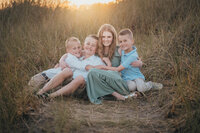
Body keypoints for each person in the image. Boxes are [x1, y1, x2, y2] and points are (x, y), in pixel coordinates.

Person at [86, 28, 163, 104]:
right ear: (100, 38)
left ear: (113, 38)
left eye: (109, 37)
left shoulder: (119, 49)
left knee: (93, 72)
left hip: (117, 78)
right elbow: (84, 51)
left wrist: (140, 63)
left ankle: (126, 92)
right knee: (131, 86)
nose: (106, 39)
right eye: (103, 37)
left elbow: (131, 54)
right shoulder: (96, 50)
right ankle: (126, 94)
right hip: (115, 78)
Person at [36, 34, 105, 98]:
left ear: (97, 49)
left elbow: (103, 73)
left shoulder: (98, 60)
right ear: (83, 45)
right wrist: (62, 60)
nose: (89, 46)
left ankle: (50, 96)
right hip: (69, 80)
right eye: (88, 43)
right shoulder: (78, 55)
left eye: (93, 45)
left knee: (80, 78)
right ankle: (41, 92)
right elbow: (68, 54)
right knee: (67, 71)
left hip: (81, 85)